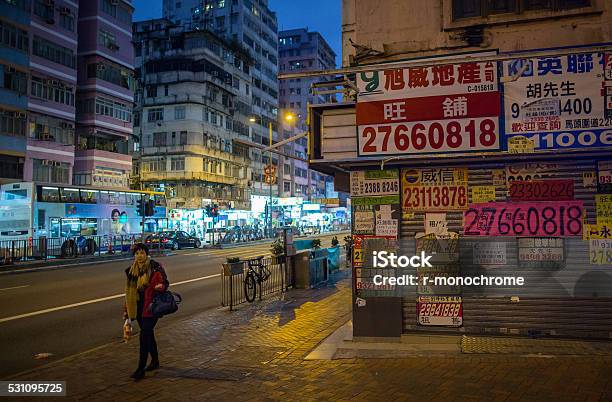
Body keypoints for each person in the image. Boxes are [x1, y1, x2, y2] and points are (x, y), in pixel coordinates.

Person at [123, 243, 168, 381]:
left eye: (142, 253)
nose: (139, 256)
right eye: (137, 253)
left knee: (144, 335)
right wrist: (126, 311)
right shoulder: (131, 270)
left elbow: (165, 283)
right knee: (148, 334)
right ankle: (155, 361)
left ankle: (140, 368)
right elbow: (128, 292)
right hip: (138, 307)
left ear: (146, 254)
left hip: (151, 307)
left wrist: (160, 286)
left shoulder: (155, 267)